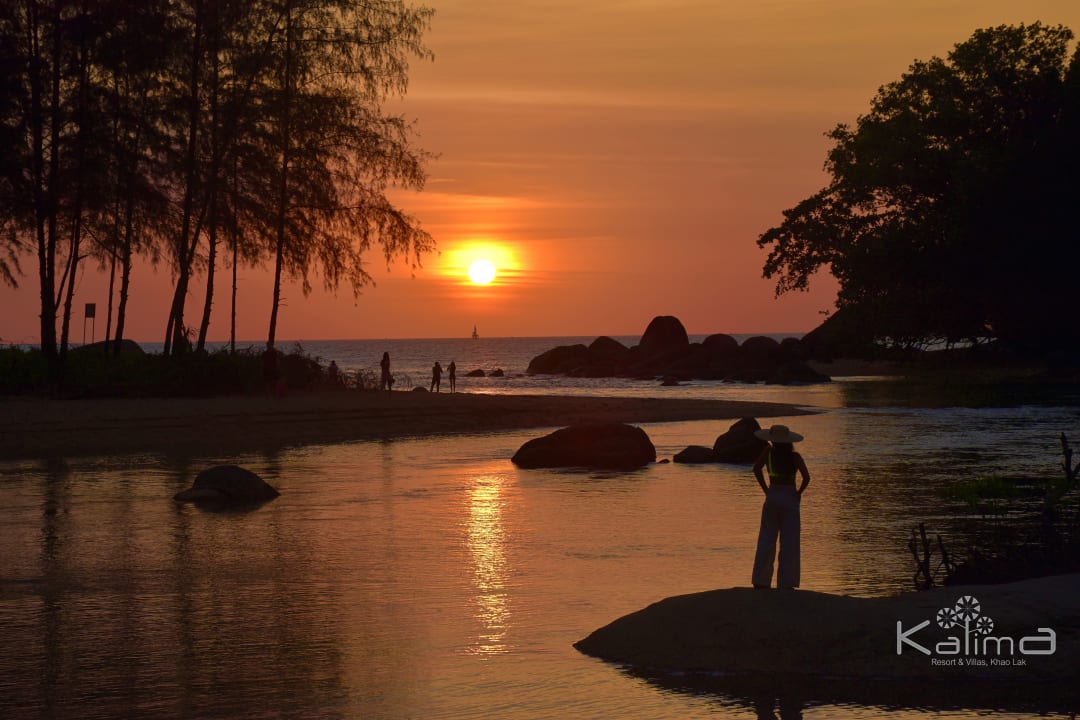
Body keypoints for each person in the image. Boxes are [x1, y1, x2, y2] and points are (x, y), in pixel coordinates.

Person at [751, 424, 810, 590]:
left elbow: (756, 470)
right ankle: (787, 582)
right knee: (789, 541)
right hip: (790, 496)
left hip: (773, 495)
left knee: (766, 538)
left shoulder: (768, 453)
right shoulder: (795, 456)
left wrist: (766, 489)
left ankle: (761, 580)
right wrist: (799, 493)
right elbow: (806, 477)